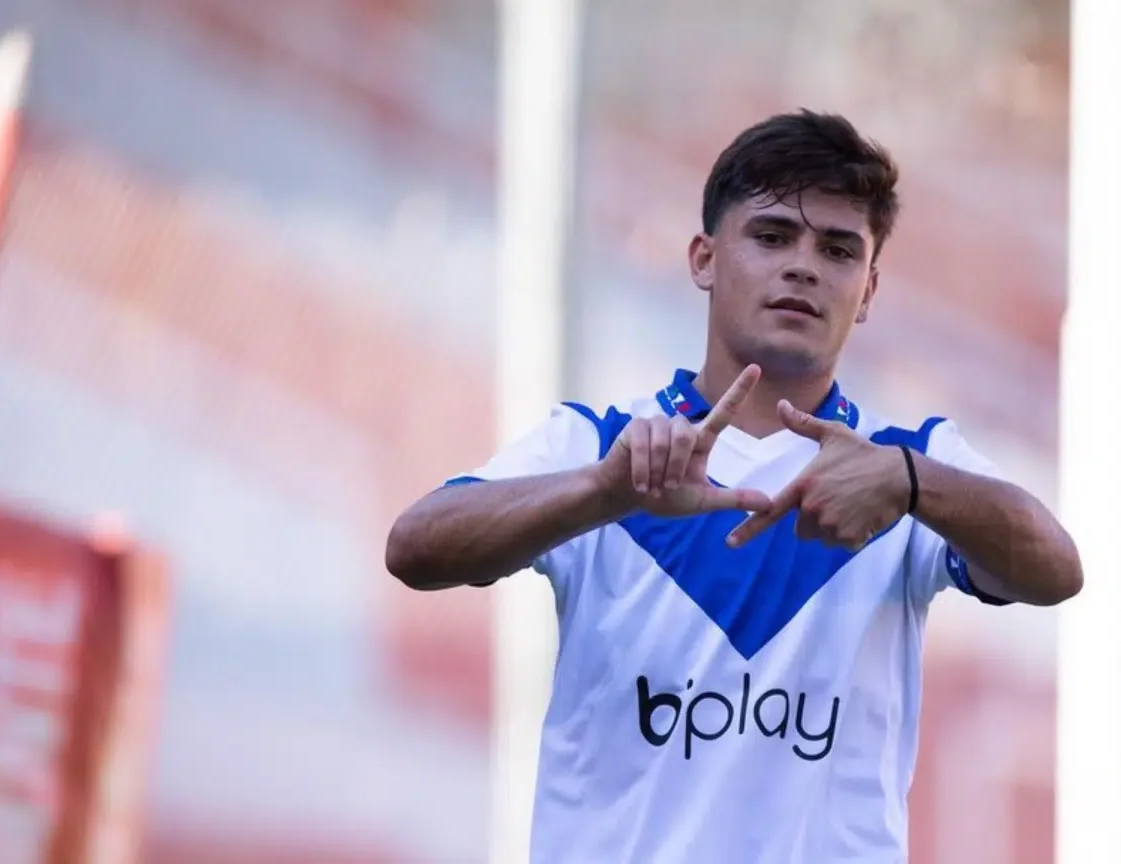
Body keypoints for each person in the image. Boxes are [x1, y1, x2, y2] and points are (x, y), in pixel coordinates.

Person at [385, 109, 1083, 864]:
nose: (805, 267)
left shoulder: (904, 464)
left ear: (869, 288)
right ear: (704, 258)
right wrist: (605, 494)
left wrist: (913, 483)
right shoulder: (599, 446)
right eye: (773, 235)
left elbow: (1056, 571)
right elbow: (416, 548)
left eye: (838, 249)